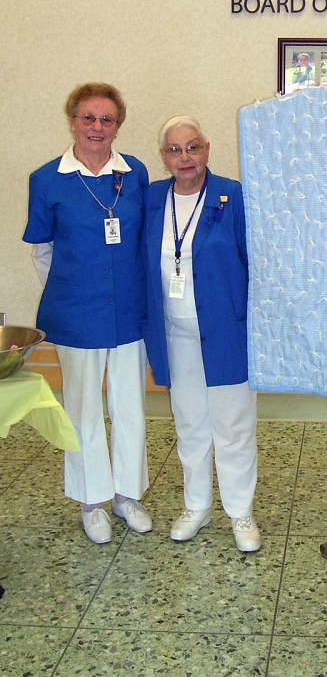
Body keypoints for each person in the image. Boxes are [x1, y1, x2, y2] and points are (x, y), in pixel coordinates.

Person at [23, 83, 151, 544]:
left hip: (130, 310)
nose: (97, 128)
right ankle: (91, 500)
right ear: (72, 120)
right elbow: (42, 251)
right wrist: (73, 289)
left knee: (130, 404)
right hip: (77, 311)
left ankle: (126, 494)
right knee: (82, 407)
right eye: (88, 118)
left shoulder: (133, 172)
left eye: (107, 119)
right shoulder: (47, 179)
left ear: (118, 125)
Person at [143, 116, 260, 551]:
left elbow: (257, 265)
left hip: (227, 331)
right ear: (164, 157)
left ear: (207, 149)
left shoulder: (234, 197)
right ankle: (196, 505)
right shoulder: (154, 198)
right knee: (190, 423)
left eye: (193, 147)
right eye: (175, 150)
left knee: (233, 425)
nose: (185, 158)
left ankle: (240, 512)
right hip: (174, 334)